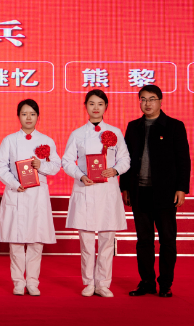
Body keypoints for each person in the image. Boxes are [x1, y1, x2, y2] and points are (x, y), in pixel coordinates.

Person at [120, 85, 191, 298]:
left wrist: (181, 188)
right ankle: (147, 282)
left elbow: (183, 160)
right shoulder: (133, 127)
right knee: (144, 241)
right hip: (139, 191)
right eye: (143, 99)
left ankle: (165, 284)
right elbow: (126, 159)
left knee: (167, 240)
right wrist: (125, 187)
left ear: (160, 101)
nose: (147, 103)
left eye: (152, 99)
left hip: (165, 193)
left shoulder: (174, 126)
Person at [62, 89, 130, 297]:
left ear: (106, 107)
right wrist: (80, 175)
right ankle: (88, 282)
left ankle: (103, 283)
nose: (96, 107)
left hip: (107, 191)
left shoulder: (115, 132)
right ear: (85, 106)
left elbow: (125, 159)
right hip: (86, 188)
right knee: (87, 242)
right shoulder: (77, 134)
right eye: (91, 103)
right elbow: (67, 161)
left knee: (107, 240)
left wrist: (115, 170)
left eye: (100, 104)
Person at [0, 99, 61, 296]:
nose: (28, 118)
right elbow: (0, 166)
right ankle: (17, 281)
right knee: (16, 242)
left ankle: (32, 281)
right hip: (17, 192)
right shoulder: (9, 140)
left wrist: (42, 166)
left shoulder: (47, 140)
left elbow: (56, 165)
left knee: (35, 241)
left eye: (32, 114)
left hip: (37, 195)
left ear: (38, 117)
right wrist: (14, 183)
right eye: (24, 114)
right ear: (18, 117)